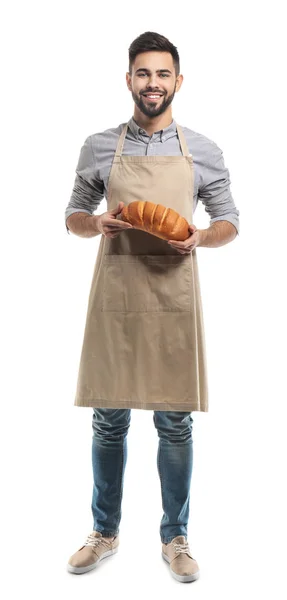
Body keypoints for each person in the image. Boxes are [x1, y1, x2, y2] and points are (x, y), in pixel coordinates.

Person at [65, 31, 240, 583]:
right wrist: (95, 223)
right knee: (108, 419)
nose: (153, 84)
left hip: (171, 294)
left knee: (175, 422)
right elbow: (72, 214)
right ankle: (104, 532)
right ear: (129, 80)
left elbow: (230, 221)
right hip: (116, 294)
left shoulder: (203, 149)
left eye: (163, 74)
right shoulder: (99, 145)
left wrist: (199, 239)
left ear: (177, 82)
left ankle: (176, 538)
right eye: (143, 74)